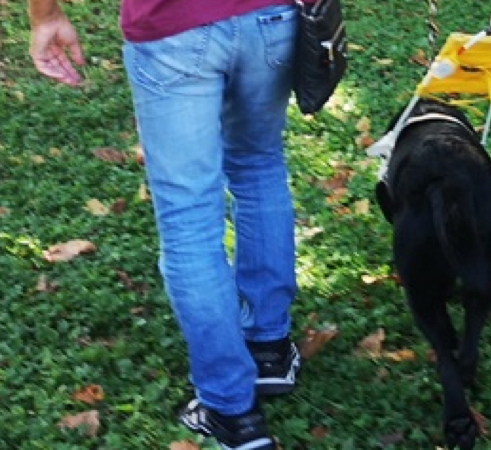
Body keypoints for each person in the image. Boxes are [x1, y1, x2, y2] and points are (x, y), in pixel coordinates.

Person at [28, 1, 304, 449]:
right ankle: (269, 349)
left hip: (173, 25)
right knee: (259, 167)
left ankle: (232, 411)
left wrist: (45, 15)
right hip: (268, 17)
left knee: (189, 217)